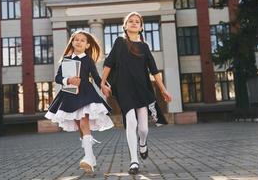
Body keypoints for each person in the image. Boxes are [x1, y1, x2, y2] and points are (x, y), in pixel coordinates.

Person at [101, 12, 172, 175]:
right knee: (131, 122)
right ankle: (134, 161)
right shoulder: (119, 42)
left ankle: (143, 143)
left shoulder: (145, 47)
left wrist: (163, 90)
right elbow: (108, 63)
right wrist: (102, 83)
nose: (133, 23)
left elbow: (154, 71)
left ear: (141, 27)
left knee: (144, 129)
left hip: (142, 89)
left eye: (137, 22)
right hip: (124, 88)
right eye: (130, 21)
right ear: (125, 26)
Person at [45, 30, 114, 173]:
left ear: (87, 45)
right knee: (79, 126)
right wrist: (68, 80)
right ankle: (91, 157)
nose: (79, 42)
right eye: (76, 39)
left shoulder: (88, 60)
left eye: (83, 40)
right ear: (72, 42)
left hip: (86, 94)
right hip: (69, 95)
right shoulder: (66, 59)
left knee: (84, 122)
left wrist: (103, 86)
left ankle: (88, 158)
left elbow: (95, 77)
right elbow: (58, 77)